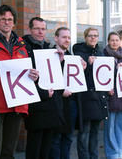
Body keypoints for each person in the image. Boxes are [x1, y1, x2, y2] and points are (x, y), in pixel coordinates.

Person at [0, 5, 39, 159]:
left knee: (9, 151)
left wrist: (33, 75)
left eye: (10, 19)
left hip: (16, 103)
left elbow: (24, 71)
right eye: (3, 19)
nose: (7, 22)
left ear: (14, 23)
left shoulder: (21, 45)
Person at [22, 18, 65, 159]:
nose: (40, 32)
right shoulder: (23, 48)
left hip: (51, 103)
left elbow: (57, 76)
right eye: (36, 28)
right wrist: (42, 93)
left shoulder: (50, 48)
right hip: (35, 102)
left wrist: (61, 62)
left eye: (43, 29)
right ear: (29, 29)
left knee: (47, 146)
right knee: (35, 146)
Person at [49, 27, 85, 159]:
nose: (67, 40)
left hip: (72, 103)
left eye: (69, 37)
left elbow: (78, 81)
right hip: (56, 103)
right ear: (56, 38)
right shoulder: (49, 55)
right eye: (64, 37)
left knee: (68, 137)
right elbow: (48, 79)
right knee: (56, 138)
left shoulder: (73, 58)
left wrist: (83, 69)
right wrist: (60, 91)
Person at [73, 27, 108, 159]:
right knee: (84, 132)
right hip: (86, 97)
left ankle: (94, 156)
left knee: (94, 131)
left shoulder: (100, 52)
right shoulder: (79, 51)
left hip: (99, 97)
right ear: (85, 37)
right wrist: (88, 62)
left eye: (96, 36)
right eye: (90, 36)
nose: (93, 38)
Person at [103, 31, 122, 159]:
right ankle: (112, 154)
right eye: (112, 40)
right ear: (108, 41)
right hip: (110, 96)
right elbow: (101, 76)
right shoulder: (103, 54)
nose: (114, 42)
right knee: (110, 128)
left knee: (121, 126)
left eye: (116, 40)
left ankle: (120, 151)